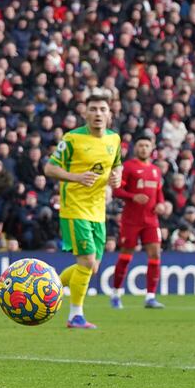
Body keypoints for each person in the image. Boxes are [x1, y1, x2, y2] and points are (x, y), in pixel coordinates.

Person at [44, 89, 122, 329]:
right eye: (93, 109)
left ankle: (49, 287)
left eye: (102, 109)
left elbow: (116, 166)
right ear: (85, 113)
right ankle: (75, 316)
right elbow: (49, 169)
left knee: (91, 267)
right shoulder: (72, 139)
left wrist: (116, 178)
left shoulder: (114, 139)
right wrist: (75, 177)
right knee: (87, 262)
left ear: (109, 114)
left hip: (98, 211)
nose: (98, 114)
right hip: (74, 208)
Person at [109, 135, 166, 309]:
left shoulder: (156, 170)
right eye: (140, 145)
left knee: (155, 254)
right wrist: (133, 196)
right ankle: (116, 294)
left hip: (151, 220)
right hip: (131, 220)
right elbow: (117, 190)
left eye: (147, 145)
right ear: (136, 148)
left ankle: (150, 297)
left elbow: (159, 192)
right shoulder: (128, 167)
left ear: (152, 149)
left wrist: (161, 204)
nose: (143, 148)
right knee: (126, 255)